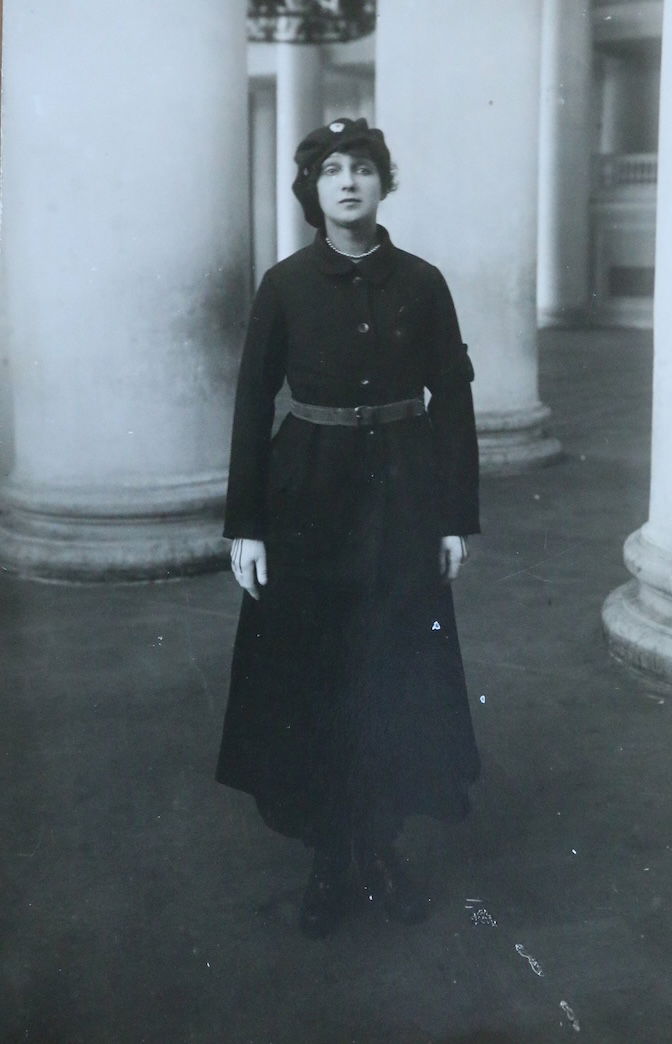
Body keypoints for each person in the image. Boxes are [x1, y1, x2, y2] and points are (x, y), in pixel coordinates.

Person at [216, 117, 481, 939]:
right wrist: (246, 524)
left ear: (381, 183)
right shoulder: (285, 284)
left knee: (395, 673)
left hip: (402, 500)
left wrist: (454, 519)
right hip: (307, 501)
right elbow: (253, 402)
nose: (348, 182)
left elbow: (455, 403)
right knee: (316, 676)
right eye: (331, 170)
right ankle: (334, 854)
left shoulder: (424, 282)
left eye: (362, 168)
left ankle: (381, 846)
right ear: (314, 191)